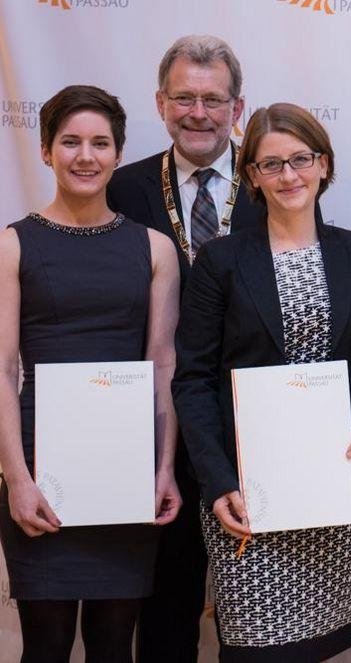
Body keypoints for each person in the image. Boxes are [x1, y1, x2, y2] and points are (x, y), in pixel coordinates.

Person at [172, 102, 351, 661]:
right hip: (246, 491)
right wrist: (218, 482)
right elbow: (193, 379)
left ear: (323, 165)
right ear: (251, 177)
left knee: (321, 644)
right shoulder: (220, 261)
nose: (288, 175)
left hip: (332, 480)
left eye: (300, 159)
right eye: (271, 164)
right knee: (255, 646)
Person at [0, 85, 181, 662]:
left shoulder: (155, 248)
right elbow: (3, 368)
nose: (86, 155)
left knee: (113, 645)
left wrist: (165, 468)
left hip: (124, 468)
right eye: (70, 141)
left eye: (100, 143)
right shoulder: (13, 244)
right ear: (47, 151)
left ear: (119, 153)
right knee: (45, 645)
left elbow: (163, 365)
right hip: (40, 465)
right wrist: (17, 478)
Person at [106, 35, 261, 661]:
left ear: (237, 107)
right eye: (184, 98)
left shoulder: (274, 180)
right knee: (165, 611)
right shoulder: (123, 188)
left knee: (255, 618)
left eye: (213, 100)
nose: (198, 112)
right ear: (160, 103)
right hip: (158, 430)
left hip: (254, 429)